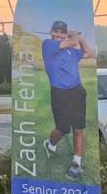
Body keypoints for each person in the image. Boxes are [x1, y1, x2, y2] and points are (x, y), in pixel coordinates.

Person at [40, 21, 95, 180]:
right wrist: (74, 35)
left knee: (78, 128)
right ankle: (50, 145)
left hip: (76, 91)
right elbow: (72, 41)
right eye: (55, 31)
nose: (58, 34)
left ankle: (76, 163)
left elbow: (89, 53)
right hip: (59, 92)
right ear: (51, 32)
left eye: (61, 32)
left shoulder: (71, 51)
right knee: (62, 128)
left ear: (64, 34)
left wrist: (80, 39)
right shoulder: (48, 45)